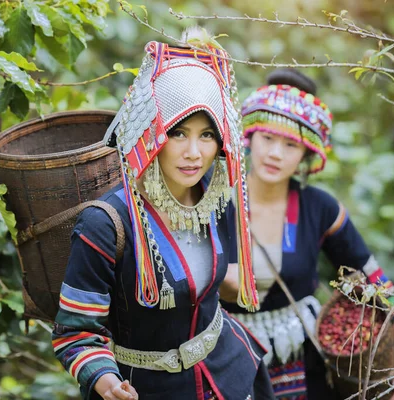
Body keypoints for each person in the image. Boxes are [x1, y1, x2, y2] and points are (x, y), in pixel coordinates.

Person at [51, 29, 276, 400]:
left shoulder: (216, 202)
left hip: (229, 373)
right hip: (144, 388)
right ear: (150, 131)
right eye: (178, 132)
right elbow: (74, 334)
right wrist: (106, 382)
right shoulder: (105, 225)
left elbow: (225, 287)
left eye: (207, 135)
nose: (194, 152)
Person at [220, 68, 394, 400]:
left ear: (307, 156)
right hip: (224, 356)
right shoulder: (213, 198)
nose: (276, 154)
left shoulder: (319, 207)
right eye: (267, 138)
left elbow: (370, 275)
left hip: (302, 363)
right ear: (249, 137)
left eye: (290, 145)